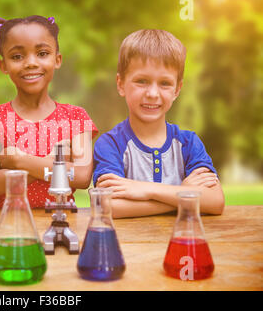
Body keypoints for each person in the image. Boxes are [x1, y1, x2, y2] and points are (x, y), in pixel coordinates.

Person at [93, 29, 225, 218]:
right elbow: (106, 207)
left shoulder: (188, 143)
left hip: (182, 245)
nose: (153, 93)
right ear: (121, 84)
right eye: (142, 81)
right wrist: (183, 195)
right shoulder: (110, 144)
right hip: (130, 247)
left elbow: (215, 202)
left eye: (164, 83)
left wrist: (146, 190)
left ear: (177, 89)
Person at [0, 15, 98, 208]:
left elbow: (81, 177)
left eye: (42, 53)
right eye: (17, 56)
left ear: (57, 60)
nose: (31, 63)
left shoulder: (76, 118)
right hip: (8, 228)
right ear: (3, 65)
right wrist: (56, 161)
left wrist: (19, 160)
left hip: (63, 224)